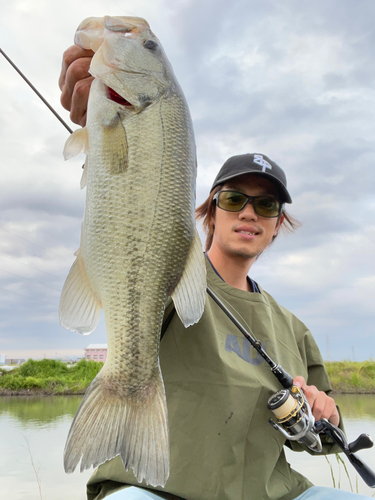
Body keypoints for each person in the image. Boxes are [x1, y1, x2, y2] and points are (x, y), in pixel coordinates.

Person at [59, 46, 369, 500]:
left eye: (266, 205)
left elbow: (322, 439)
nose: (249, 212)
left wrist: (327, 414)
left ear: (277, 224)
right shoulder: (167, 274)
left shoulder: (294, 330)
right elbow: (130, 215)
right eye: (233, 199)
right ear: (209, 211)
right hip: (155, 489)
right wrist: (103, 115)